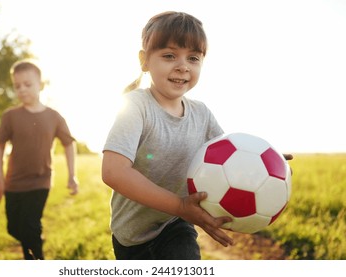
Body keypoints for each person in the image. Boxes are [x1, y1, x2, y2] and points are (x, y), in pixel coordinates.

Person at [102, 11, 293, 260]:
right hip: (130, 236)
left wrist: (268, 166)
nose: (182, 66)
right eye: (169, 55)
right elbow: (114, 172)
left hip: (175, 225)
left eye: (193, 58)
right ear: (144, 60)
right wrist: (180, 205)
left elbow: (231, 158)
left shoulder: (201, 113)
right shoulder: (135, 107)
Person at [0, 59, 78, 260]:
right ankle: (34, 239)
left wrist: (72, 175)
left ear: (41, 85)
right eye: (17, 86)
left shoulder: (54, 116)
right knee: (14, 228)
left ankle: (36, 259)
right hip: (13, 182)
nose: (21, 89)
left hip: (41, 181)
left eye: (27, 84)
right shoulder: (10, 116)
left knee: (29, 225)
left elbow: (68, 144)